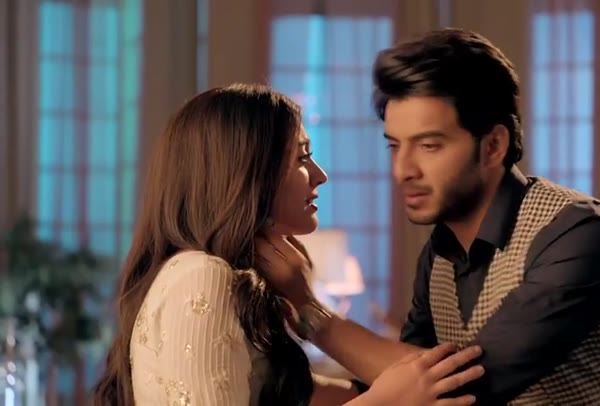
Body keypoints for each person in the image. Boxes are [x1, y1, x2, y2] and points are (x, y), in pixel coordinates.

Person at [255, 28, 600, 405]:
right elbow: (400, 390)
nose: (403, 170)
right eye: (395, 146)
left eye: (429, 145)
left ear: (493, 146)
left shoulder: (582, 236)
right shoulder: (440, 255)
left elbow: (462, 389)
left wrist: (309, 309)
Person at [92, 83, 484, 406]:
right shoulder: (201, 275)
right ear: (247, 172)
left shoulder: (232, 284)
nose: (320, 175)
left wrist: (306, 305)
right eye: (302, 157)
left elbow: (436, 382)